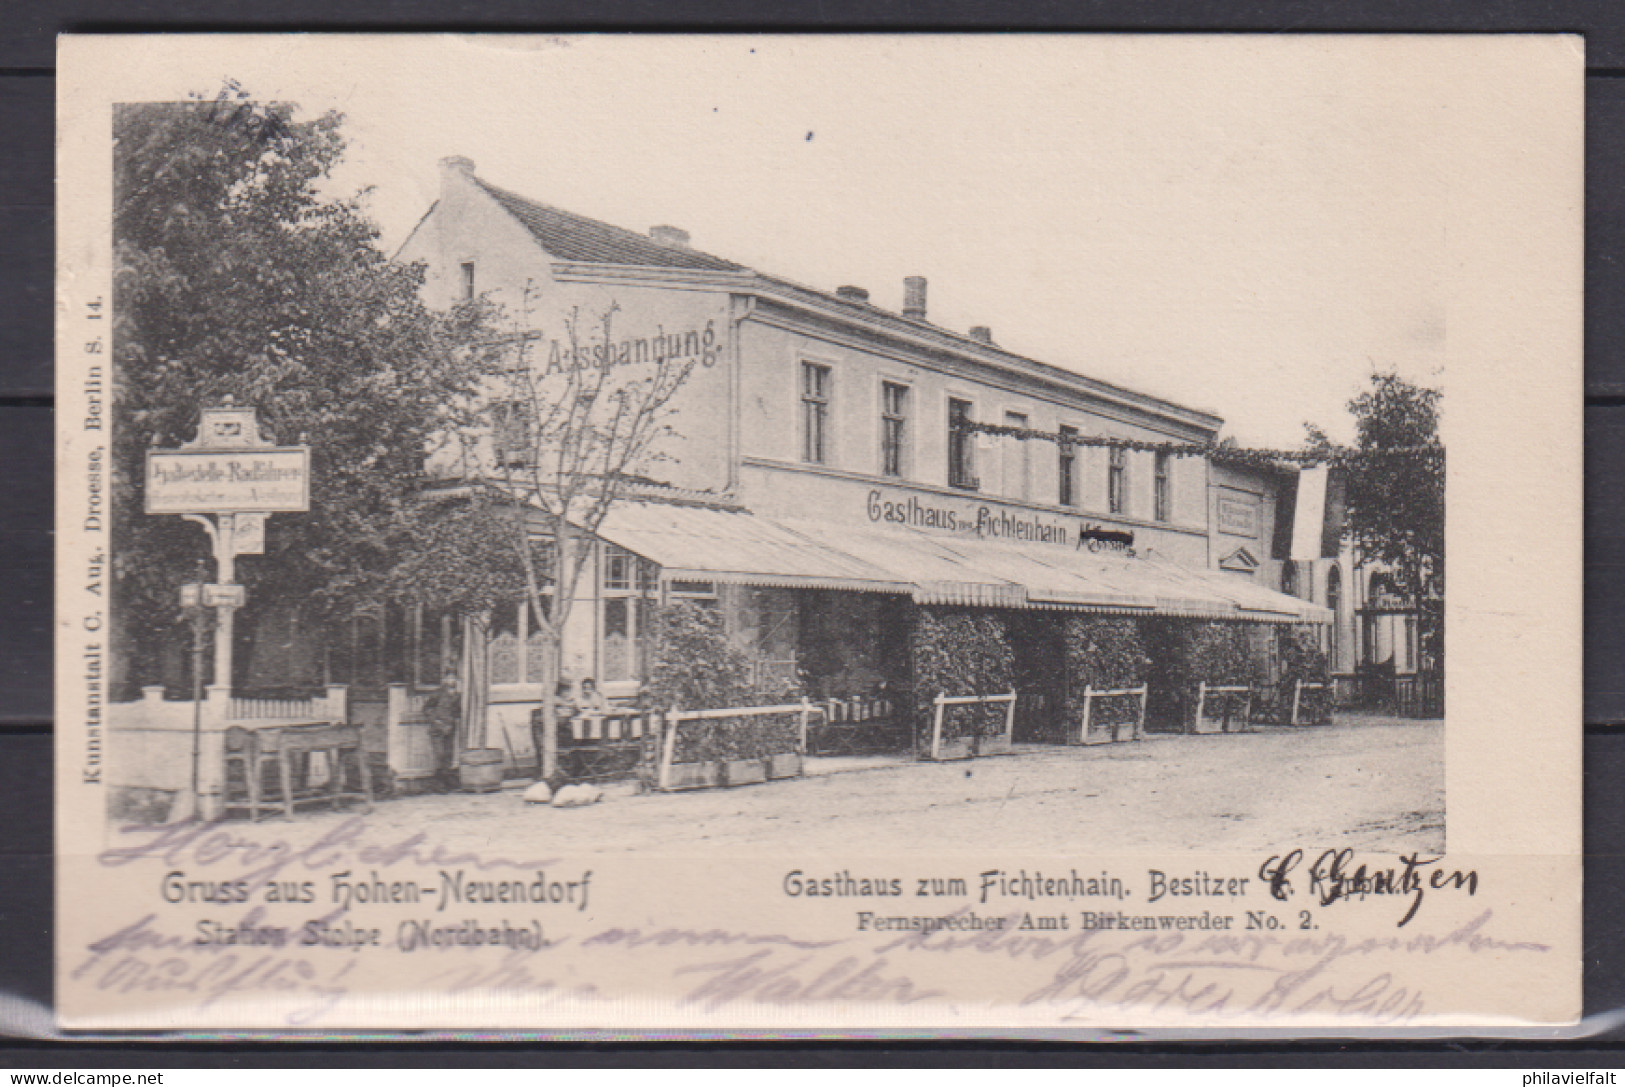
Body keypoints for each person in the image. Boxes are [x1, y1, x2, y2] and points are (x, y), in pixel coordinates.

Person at [422, 669, 461, 791]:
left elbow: (457, 712)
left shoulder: (457, 695)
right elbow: (427, 709)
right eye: (449, 678)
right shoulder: (437, 694)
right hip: (437, 729)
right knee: (440, 755)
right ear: (444, 680)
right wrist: (436, 721)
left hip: (450, 729)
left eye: (453, 678)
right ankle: (439, 784)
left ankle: (447, 783)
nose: (451, 680)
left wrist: (454, 721)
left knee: (449, 755)